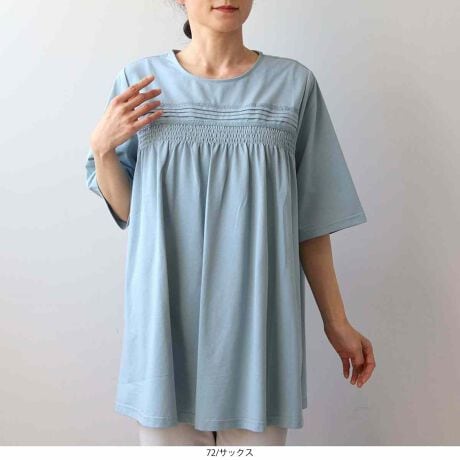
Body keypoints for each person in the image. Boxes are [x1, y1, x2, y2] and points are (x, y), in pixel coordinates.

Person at [85, 0, 376, 447]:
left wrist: (336, 321)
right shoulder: (141, 83)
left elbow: (312, 221)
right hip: (165, 333)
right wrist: (103, 150)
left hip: (258, 332)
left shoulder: (292, 86)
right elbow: (131, 213)